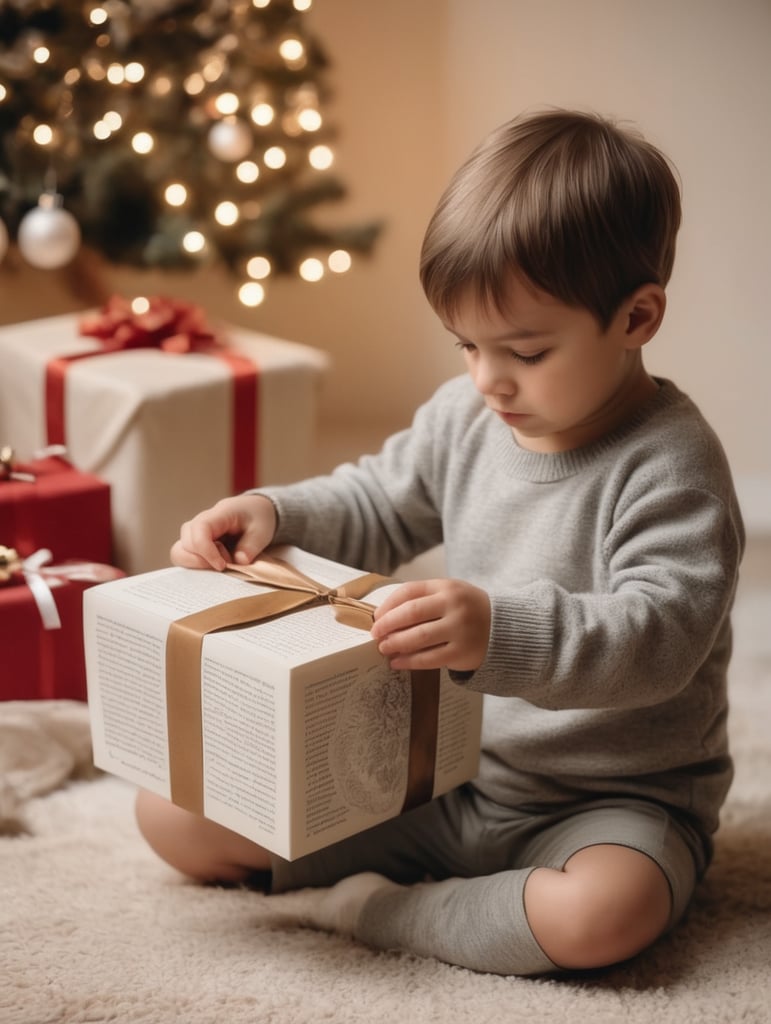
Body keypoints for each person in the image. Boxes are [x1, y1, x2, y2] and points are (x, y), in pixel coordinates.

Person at [135, 108, 744, 976]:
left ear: (636, 317)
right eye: (466, 345)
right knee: (174, 817)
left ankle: (381, 911)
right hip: (446, 770)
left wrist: (499, 631)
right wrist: (277, 512)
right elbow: (379, 502)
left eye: (527, 351)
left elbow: (659, 640)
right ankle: (458, 891)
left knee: (602, 914)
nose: (489, 378)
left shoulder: (672, 465)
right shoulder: (467, 414)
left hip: (611, 804)